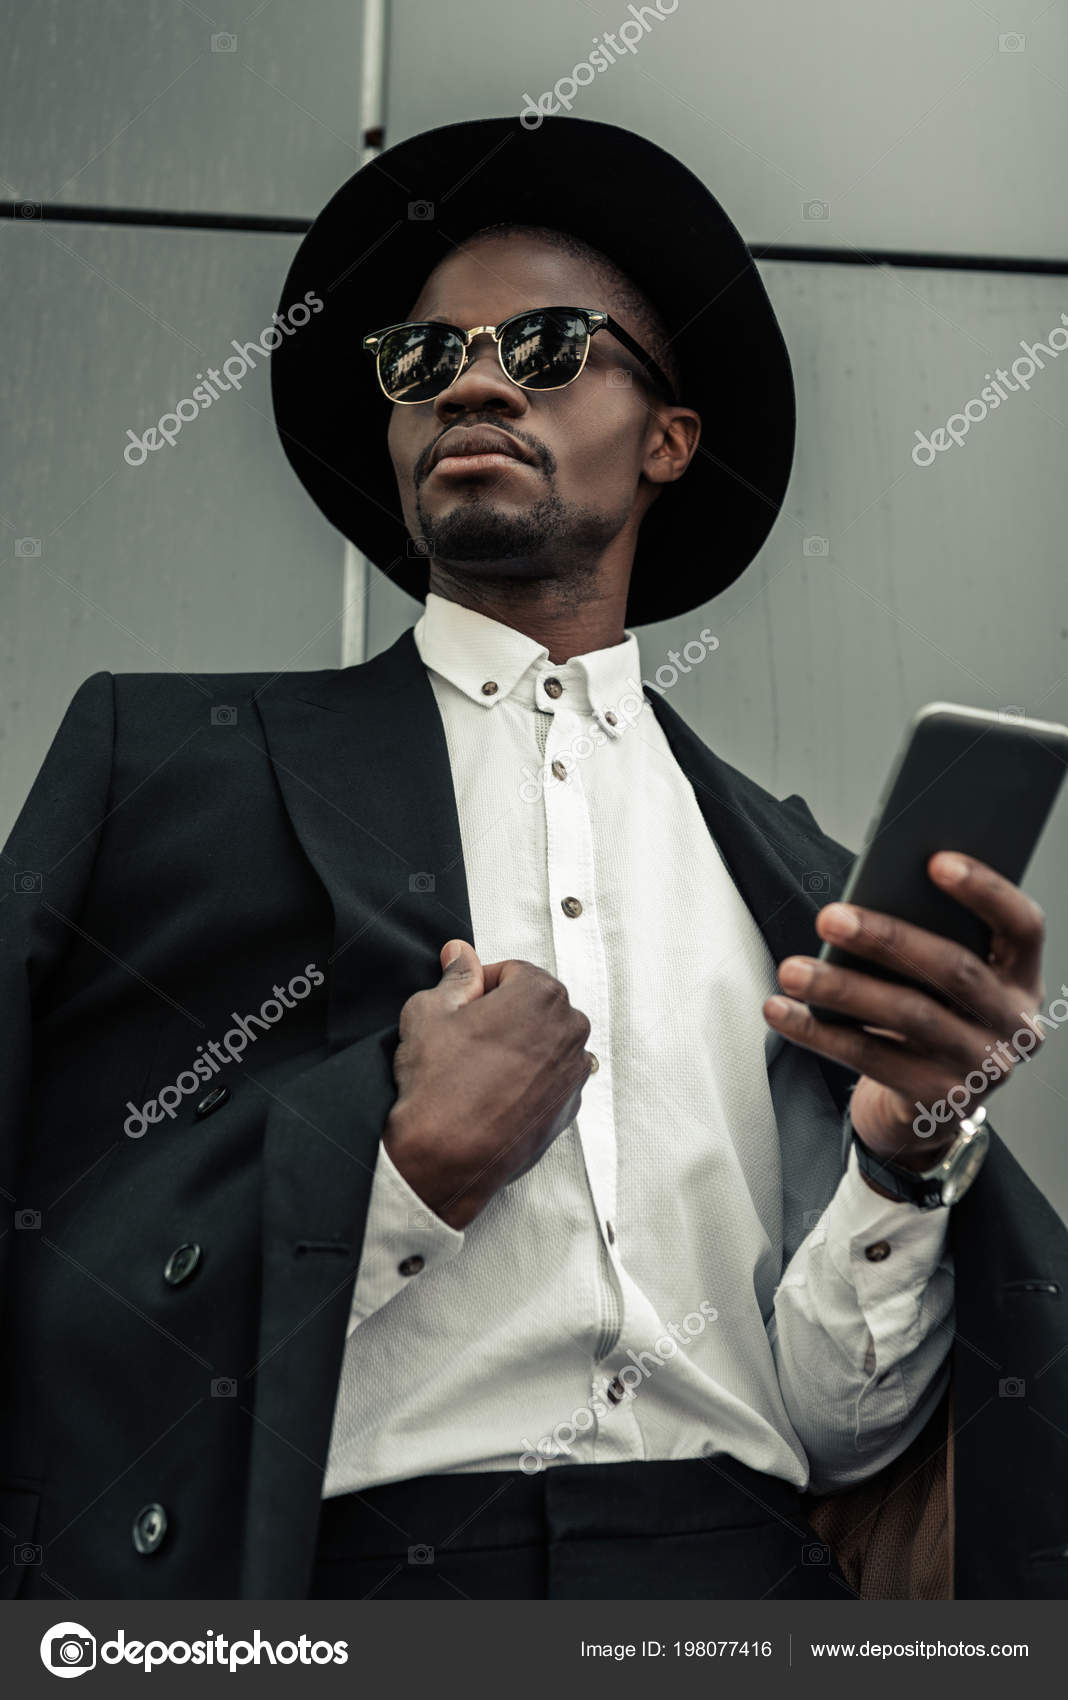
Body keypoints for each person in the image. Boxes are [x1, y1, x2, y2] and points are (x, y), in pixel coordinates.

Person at [1, 116, 1064, 1604]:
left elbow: (838, 1432)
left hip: (740, 1594)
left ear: (670, 437)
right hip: (345, 1590)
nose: (480, 380)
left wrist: (904, 1157)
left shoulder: (804, 884)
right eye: (424, 361)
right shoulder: (165, 767)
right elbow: (61, 1279)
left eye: (552, 345)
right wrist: (392, 1178)